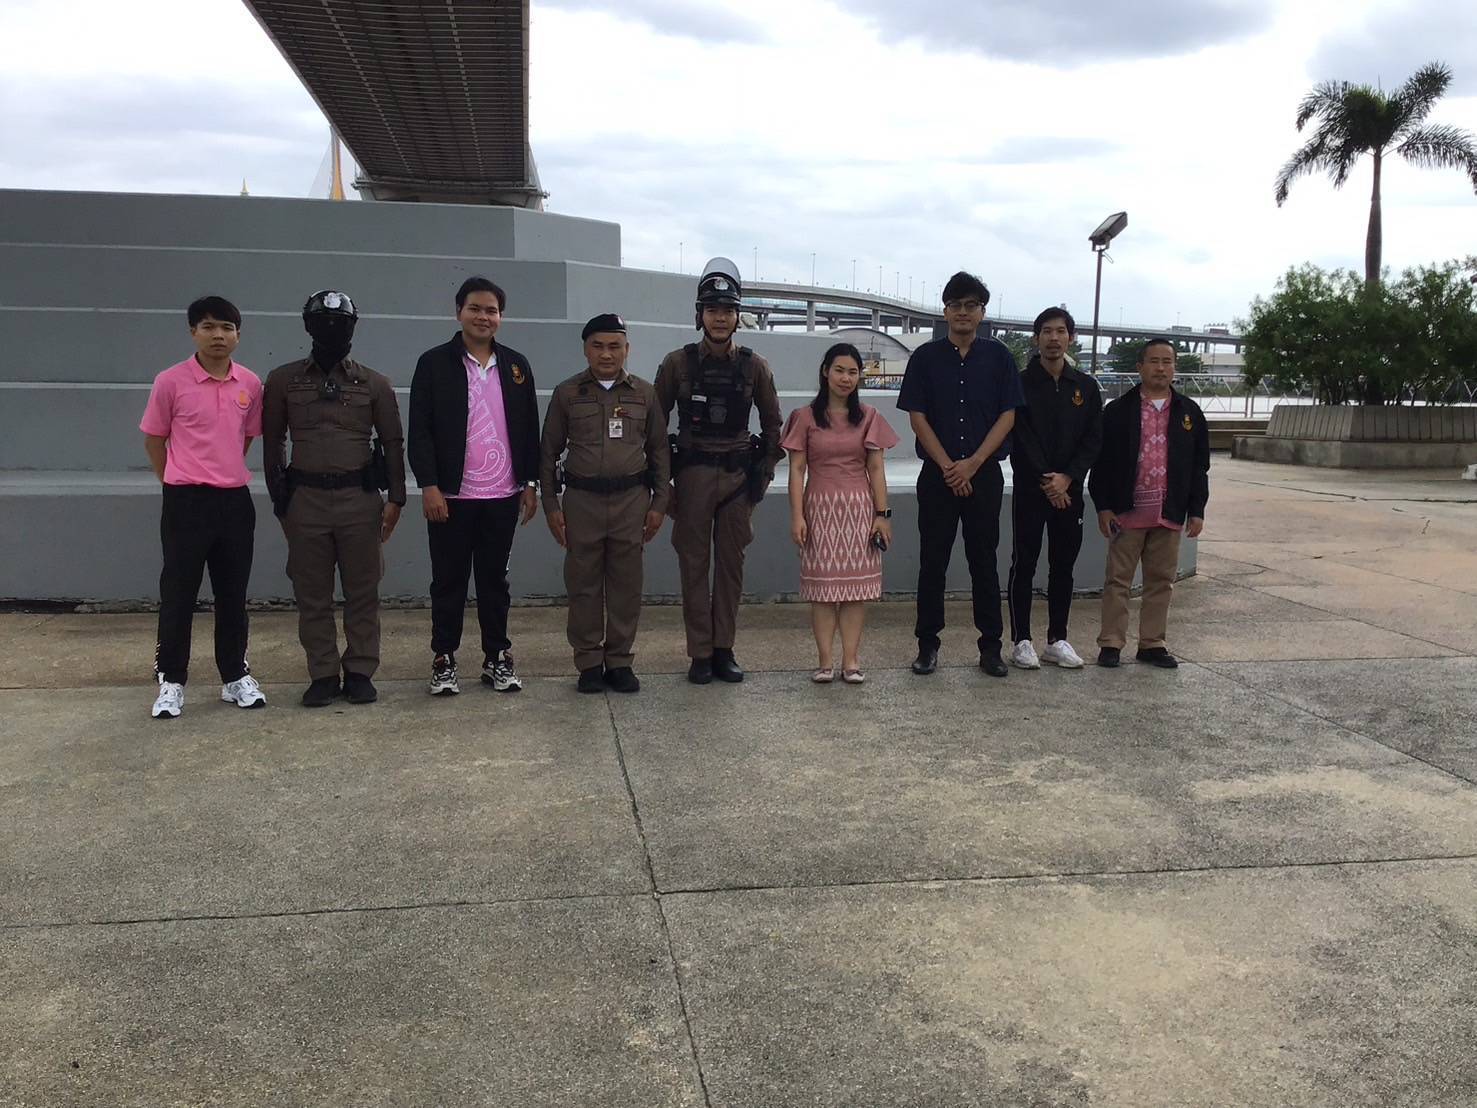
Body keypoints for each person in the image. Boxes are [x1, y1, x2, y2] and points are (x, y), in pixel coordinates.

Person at [262, 290, 407, 708]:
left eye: (340, 324)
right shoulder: (283, 380)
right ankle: (323, 674)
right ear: (308, 327)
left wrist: (396, 498)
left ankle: (360, 670)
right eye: (323, 323)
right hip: (305, 499)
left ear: (352, 328)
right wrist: (280, 498)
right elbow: (273, 442)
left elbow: (392, 443)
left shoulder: (374, 383)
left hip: (359, 499)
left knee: (363, 591)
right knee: (312, 594)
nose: (331, 330)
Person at [408, 276, 540, 696]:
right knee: (448, 582)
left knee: (494, 583)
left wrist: (530, 482)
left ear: (501, 317)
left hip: (502, 495)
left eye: (492, 310)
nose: (484, 317)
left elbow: (528, 428)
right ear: (459, 312)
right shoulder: (434, 363)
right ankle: (444, 658)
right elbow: (420, 430)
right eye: (475, 309)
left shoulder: (516, 366)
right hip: (451, 496)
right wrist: (429, 485)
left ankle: (496, 656)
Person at [654, 258, 783, 685]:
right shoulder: (677, 364)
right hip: (691, 477)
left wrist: (760, 481)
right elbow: (654, 429)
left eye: (728, 310)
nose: (721, 318)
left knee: (730, 567)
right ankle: (700, 653)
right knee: (693, 566)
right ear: (700, 314)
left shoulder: (754, 365)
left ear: (737, 315)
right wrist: (663, 487)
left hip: (736, 480)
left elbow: (773, 427)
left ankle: (724, 648)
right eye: (712, 309)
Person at [140, 295, 266, 718]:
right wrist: (174, 479)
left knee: (233, 593)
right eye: (209, 327)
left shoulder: (250, 384)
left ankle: (234, 676)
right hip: (186, 501)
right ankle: (172, 681)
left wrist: (222, 469)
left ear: (238, 335)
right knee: (179, 593)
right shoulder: (170, 381)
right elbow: (154, 439)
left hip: (234, 501)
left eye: (227, 328)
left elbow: (246, 437)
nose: (218, 335)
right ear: (193, 332)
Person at [896, 271, 1025, 678]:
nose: (963, 312)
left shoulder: (1000, 358)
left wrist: (973, 463)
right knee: (932, 561)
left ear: (982, 311)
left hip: (984, 475)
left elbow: (1008, 415)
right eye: (955, 305)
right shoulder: (925, 358)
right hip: (938, 476)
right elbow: (917, 417)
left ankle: (991, 647)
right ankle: (927, 646)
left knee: (983, 560)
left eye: (971, 305)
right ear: (945, 311)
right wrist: (950, 466)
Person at [540, 315, 670, 693]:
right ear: (586, 349)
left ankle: (619, 661)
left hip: (632, 501)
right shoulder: (567, 393)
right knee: (583, 585)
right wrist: (551, 506)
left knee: (626, 586)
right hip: (582, 501)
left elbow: (659, 452)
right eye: (598, 346)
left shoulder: (645, 394)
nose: (606, 354)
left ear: (627, 349)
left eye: (615, 346)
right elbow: (548, 453)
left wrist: (659, 503)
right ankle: (588, 662)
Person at [1089, 337, 1210, 669]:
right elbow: (1101, 463)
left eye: (1167, 362)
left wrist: (1197, 509)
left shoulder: (1189, 412)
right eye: (1153, 361)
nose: (1160, 368)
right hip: (1127, 513)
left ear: (1174, 368)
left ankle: (1152, 643)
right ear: (1140, 367)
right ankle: (1111, 642)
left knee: (1161, 581)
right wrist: (1103, 506)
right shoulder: (1117, 411)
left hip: (1169, 512)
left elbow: (1199, 465)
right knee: (1118, 581)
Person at [783, 342, 899, 683]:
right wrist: (797, 515)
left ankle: (851, 661)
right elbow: (796, 470)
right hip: (818, 509)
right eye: (839, 370)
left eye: (852, 372)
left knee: (854, 592)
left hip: (859, 510)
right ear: (825, 372)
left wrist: (882, 514)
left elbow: (876, 468)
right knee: (822, 592)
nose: (846, 378)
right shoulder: (804, 417)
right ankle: (824, 662)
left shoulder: (869, 416)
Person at [1006, 307, 1103, 670]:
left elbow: (1093, 439)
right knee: (1024, 563)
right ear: (1036, 338)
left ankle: (1057, 639)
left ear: (1071, 338)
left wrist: (1068, 478)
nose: (1053, 338)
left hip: (1070, 492)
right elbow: (1020, 437)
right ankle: (1021, 640)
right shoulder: (1019, 383)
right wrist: (1048, 480)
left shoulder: (1085, 387)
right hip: (1032, 491)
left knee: (1063, 565)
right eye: (1046, 331)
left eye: (1060, 331)